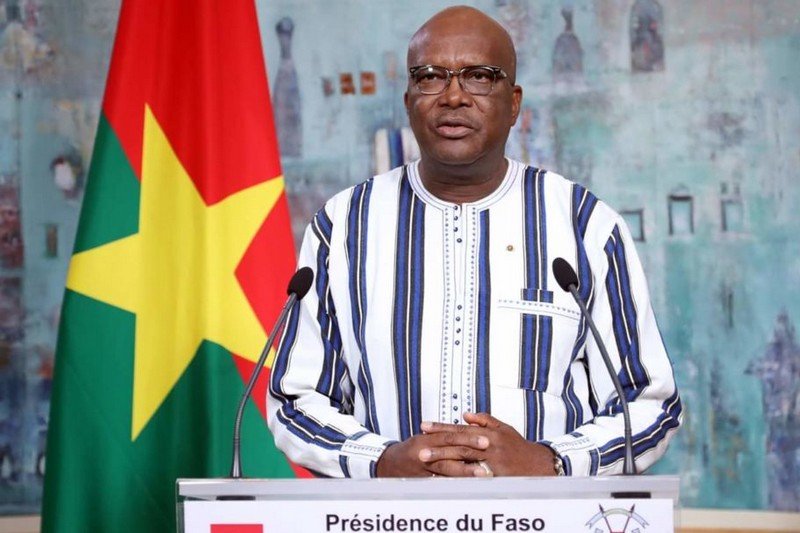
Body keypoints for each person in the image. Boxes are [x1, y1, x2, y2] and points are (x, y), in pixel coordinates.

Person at [267, 5, 682, 478]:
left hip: (543, 514)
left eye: (480, 77)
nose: (453, 96)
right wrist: (379, 462)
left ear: (513, 103)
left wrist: (552, 462)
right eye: (430, 77)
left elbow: (648, 404)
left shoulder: (584, 225)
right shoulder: (344, 227)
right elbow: (295, 400)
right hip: (386, 513)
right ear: (408, 100)